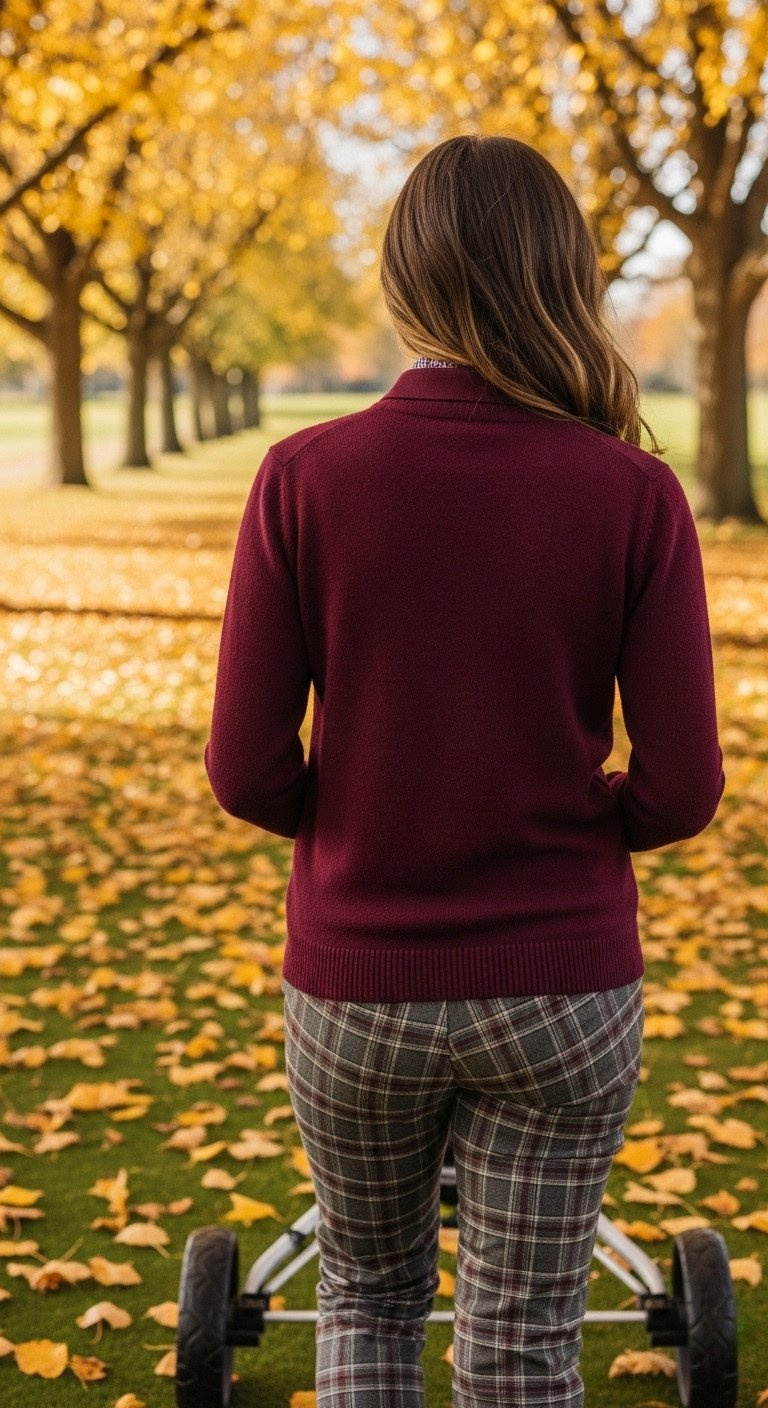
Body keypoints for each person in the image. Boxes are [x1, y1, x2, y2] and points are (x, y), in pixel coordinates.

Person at [203, 133, 725, 1407]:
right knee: (525, 1336)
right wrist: (581, 819)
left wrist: (357, 816)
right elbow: (682, 787)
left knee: (369, 1300)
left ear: (405, 281)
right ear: (564, 277)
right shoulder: (633, 494)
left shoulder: (303, 481)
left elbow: (245, 767)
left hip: (358, 984)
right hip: (561, 989)